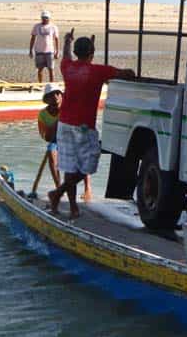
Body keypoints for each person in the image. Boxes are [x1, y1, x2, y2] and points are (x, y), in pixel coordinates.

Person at [47, 28, 135, 218]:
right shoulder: (98, 71)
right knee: (90, 163)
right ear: (92, 53)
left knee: (70, 168)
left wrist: (67, 40)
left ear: (78, 52)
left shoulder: (67, 68)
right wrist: (132, 73)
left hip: (64, 124)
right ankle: (59, 193)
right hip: (83, 126)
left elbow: (65, 55)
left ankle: (71, 206)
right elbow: (125, 74)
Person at [37, 83, 92, 200]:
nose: (56, 97)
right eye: (52, 95)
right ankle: (58, 187)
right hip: (56, 140)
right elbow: (47, 137)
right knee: (51, 152)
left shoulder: (70, 108)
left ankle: (87, 189)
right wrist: (58, 121)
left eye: (58, 94)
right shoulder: (43, 115)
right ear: (47, 99)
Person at [29, 10, 60, 83]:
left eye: (46, 18)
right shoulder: (36, 26)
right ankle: (40, 84)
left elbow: (56, 39)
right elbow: (33, 38)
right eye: (43, 17)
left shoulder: (53, 27)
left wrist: (57, 51)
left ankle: (51, 85)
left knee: (51, 69)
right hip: (39, 51)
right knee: (40, 69)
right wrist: (30, 50)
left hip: (50, 51)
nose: (44, 19)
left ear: (49, 18)